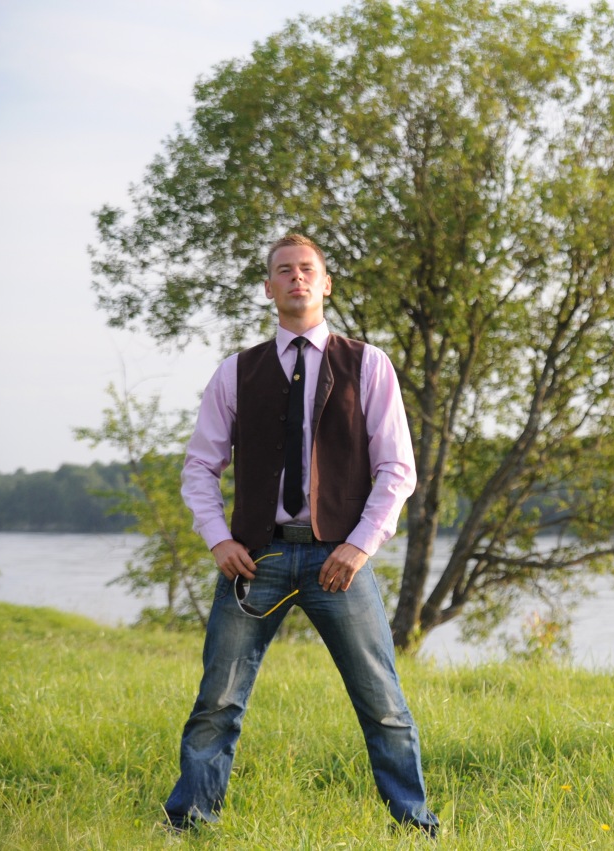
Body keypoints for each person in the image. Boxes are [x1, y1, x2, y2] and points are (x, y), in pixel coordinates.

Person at [163, 234, 437, 836]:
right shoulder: (237, 372)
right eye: (284, 271)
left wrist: (359, 546)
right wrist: (217, 538)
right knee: (217, 703)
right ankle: (189, 826)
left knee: (383, 704)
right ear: (269, 288)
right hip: (253, 560)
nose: (297, 278)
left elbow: (397, 469)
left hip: (338, 561)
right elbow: (200, 466)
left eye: (307, 269)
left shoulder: (368, 364)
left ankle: (415, 828)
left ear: (326, 283)